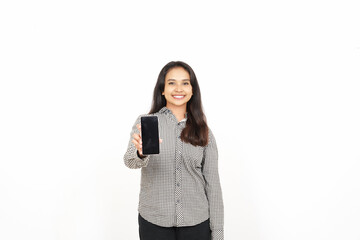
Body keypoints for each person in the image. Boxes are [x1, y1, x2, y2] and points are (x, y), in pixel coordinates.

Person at [123, 61, 224, 240]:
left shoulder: (204, 131)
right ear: (162, 89)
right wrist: (140, 153)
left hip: (197, 223)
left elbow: (213, 186)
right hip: (154, 222)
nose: (179, 88)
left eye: (185, 83)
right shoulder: (147, 122)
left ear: (193, 90)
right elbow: (130, 161)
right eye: (172, 83)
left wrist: (217, 233)